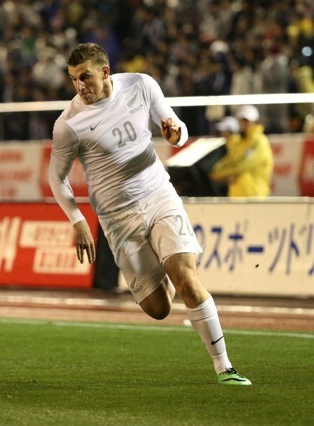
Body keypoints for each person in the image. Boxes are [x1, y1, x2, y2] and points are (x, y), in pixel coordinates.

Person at [48, 43, 251, 385]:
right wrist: (78, 220)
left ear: (105, 72)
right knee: (159, 309)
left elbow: (177, 127)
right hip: (118, 218)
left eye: (85, 77)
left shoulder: (141, 85)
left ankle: (224, 367)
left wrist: (176, 134)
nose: (79, 86)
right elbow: (56, 177)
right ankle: (163, 270)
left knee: (187, 278)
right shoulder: (69, 124)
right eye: (73, 80)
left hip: (158, 195)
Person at [210, 106, 273, 197]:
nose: (244, 124)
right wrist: (218, 171)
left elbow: (242, 165)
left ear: (255, 122)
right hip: (237, 196)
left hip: (255, 196)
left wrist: (219, 173)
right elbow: (229, 160)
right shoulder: (240, 142)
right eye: (242, 120)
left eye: (247, 121)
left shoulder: (259, 141)